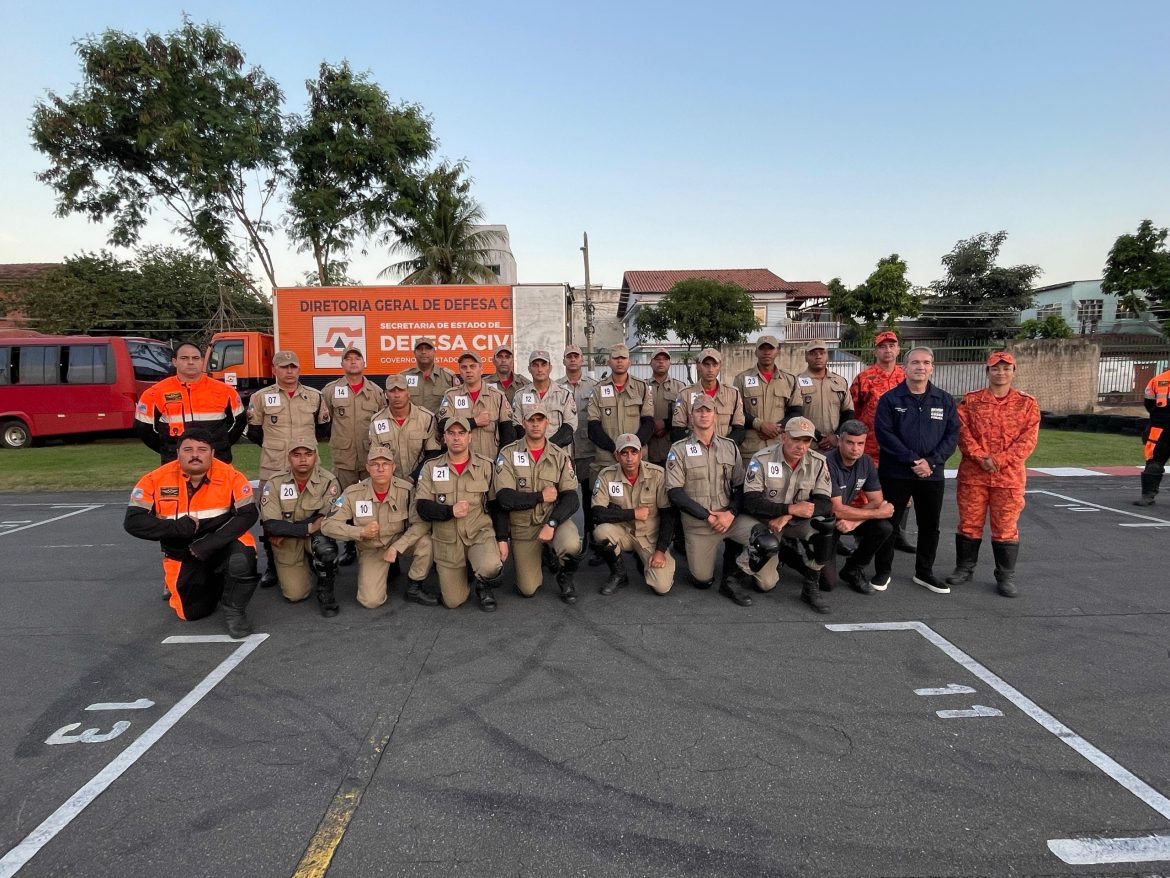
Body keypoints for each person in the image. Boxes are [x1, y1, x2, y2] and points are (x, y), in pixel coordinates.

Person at [124, 428, 260, 638]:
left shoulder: (231, 476)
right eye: (188, 449)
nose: (195, 454)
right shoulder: (154, 479)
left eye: (202, 449)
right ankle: (213, 581)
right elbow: (133, 521)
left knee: (240, 560)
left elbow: (248, 515)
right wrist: (176, 528)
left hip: (220, 544)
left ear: (212, 453)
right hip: (182, 552)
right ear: (178, 454)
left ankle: (235, 611)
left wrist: (209, 544)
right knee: (192, 613)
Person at [665, 396, 779, 606]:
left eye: (708, 410)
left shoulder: (730, 447)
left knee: (766, 574)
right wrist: (708, 517)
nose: (704, 414)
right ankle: (725, 558)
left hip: (730, 518)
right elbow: (675, 493)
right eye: (699, 411)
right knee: (702, 580)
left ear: (715, 416)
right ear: (691, 417)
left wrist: (731, 513)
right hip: (699, 524)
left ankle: (733, 575)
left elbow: (740, 487)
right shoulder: (678, 450)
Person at [947, 352, 1040, 597]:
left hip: (1008, 478)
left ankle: (1005, 576)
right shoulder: (971, 401)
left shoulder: (1027, 403)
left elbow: (1028, 440)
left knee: (1006, 527)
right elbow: (962, 433)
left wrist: (998, 460)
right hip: (973, 476)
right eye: (995, 369)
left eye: (1006, 369)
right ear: (987, 372)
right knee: (969, 524)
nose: (1001, 373)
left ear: (1013, 372)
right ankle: (964, 568)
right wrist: (981, 458)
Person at [874, 346, 960, 594]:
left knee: (929, 525)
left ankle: (924, 572)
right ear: (905, 367)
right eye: (915, 362)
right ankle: (882, 571)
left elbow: (952, 435)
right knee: (889, 524)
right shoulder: (890, 399)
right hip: (896, 473)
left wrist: (931, 462)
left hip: (931, 475)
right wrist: (913, 461)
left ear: (932, 367)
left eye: (925, 363)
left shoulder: (944, 400)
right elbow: (885, 435)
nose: (920, 367)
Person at [246, 350, 332, 588]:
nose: (289, 371)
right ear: (274, 370)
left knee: (311, 510)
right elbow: (254, 431)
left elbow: (322, 429)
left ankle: (312, 559)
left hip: (308, 467)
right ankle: (274, 567)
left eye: (293, 366)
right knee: (270, 516)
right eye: (284, 367)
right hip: (274, 468)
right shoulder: (261, 397)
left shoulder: (314, 397)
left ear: (299, 369)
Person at [321, 444, 436, 609]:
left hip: (398, 541)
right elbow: (327, 525)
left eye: (385, 464)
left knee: (426, 542)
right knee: (371, 601)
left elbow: (421, 524)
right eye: (375, 464)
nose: (380, 469)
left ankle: (414, 587)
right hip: (371, 547)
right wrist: (359, 532)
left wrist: (397, 547)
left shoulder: (407, 490)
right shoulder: (353, 493)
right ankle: (386, 569)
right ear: (368, 468)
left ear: (393, 467)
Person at [741, 417, 835, 614]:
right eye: (796, 440)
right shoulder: (762, 459)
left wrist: (789, 515)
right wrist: (789, 510)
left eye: (807, 441)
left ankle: (810, 589)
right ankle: (744, 566)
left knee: (825, 527)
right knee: (765, 585)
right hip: (768, 522)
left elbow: (825, 502)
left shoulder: (818, 462)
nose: (801, 446)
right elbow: (751, 501)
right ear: (783, 437)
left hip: (793, 522)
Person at [414, 418, 509, 612]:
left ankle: (483, 585)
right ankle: (467, 573)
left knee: (491, 565)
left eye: (461, 433)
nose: (456, 438)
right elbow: (422, 507)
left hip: (478, 533)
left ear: (470, 437)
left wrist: (502, 538)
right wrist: (450, 511)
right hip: (447, 539)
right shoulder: (431, 467)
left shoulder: (486, 466)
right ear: (444, 439)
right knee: (453, 601)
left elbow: (496, 505)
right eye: (451, 433)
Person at [495, 405, 582, 603]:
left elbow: (571, 498)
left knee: (571, 544)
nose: (535, 425)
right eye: (531, 420)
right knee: (528, 589)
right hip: (523, 527)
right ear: (523, 423)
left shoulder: (560, 456)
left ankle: (565, 576)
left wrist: (551, 524)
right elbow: (504, 498)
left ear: (547, 422)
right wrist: (540, 497)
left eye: (539, 420)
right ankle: (542, 554)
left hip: (551, 521)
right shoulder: (508, 454)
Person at [259, 436, 343, 616]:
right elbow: (271, 524)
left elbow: (325, 517)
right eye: (296, 455)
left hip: (310, 536)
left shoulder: (329, 481)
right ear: (289, 457)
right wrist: (306, 528)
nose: (303, 459)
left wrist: (289, 528)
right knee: (295, 594)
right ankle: (284, 565)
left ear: (316, 456)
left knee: (326, 547)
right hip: (289, 541)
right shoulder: (274, 483)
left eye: (308, 454)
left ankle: (326, 593)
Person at [850, 330, 914, 553]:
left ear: (898, 349)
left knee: (902, 494)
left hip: (900, 448)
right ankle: (864, 537)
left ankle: (898, 535)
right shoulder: (865, 378)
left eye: (891, 346)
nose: (887, 350)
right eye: (882, 346)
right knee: (866, 493)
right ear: (875, 350)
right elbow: (854, 410)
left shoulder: (907, 377)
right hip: (870, 447)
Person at [322, 347, 386, 566]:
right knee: (345, 501)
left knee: (371, 499)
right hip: (345, 457)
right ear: (342, 364)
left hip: (370, 456)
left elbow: (382, 420)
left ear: (364, 362)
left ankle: (375, 541)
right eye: (347, 359)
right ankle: (349, 546)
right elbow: (326, 418)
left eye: (357, 358)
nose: (352, 362)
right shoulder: (331, 390)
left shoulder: (376, 392)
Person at [591, 433, 677, 596]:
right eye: (624, 453)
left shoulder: (658, 475)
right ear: (617, 455)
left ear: (641, 453)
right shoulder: (606, 476)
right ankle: (619, 574)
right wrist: (632, 514)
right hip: (623, 533)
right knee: (601, 532)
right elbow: (597, 513)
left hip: (650, 537)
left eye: (634, 452)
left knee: (661, 587)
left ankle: (643, 560)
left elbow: (668, 516)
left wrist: (660, 550)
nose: (629, 458)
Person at [135, 341, 245, 463]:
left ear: (202, 360)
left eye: (195, 358)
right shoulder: (154, 393)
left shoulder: (225, 391)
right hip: (174, 464)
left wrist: (220, 446)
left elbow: (239, 422)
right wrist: (169, 449)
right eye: (184, 358)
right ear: (174, 361)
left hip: (218, 462)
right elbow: (144, 429)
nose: (191, 362)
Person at [823, 420, 895, 595]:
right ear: (839, 441)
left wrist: (855, 522)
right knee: (826, 584)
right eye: (850, 443)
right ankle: (794, 553)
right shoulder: (826, 462)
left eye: (860, 443)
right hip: (823, 521)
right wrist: (877, 512)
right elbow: (837, 509)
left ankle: (853, 569)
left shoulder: (866, 462)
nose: (855, 448)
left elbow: (877, 500)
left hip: (846, 519)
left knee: (883, 527)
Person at [586, 343, 655, 486]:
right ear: (609, 362)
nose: (619, 361)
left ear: (629, 362)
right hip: (607, 459)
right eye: (616, 358)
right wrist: (615, 450)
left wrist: (631, 449)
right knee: (606, 503)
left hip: (635, 460)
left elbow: (648, 423)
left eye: (623, 358)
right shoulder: (598, 389)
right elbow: (593, 427)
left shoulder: (641, 387)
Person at [437, 351, 515, 462]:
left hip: (489, 463)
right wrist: (474, 421)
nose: (468, 370)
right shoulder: (451, 395)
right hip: (459, 464)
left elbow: (508, 434)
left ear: (481, 370)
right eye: (464, 367)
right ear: (460, 371)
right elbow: (443, 426)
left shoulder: (497, 396)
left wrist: (501, 462)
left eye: (472, 366)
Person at [559, 344, 600, 554]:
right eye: (569, 357)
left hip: (587, 451)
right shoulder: (556, 387)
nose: (573, 360)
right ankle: (562, 542)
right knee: (563, 497)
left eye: (576, 356)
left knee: (589, 498)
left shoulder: (595, 387)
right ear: (564, 361)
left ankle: (592, 541)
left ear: (582, 360)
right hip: (563, 454)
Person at [733, 336, 798, 459]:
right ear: (756, 352)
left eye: (770, 348)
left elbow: (796, 412)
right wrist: (760, 425)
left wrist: (776, 429)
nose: (766, 352)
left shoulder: (789, 380)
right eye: (762, 349)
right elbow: (736, 412)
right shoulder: (741, 379)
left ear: (777, 351)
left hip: (780, 447)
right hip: (751, 449)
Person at [368, 374, 442, 481]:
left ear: (408, 392)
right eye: (392, 391)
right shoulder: (377, 421)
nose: (397, 395)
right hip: (390, 483)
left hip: (421, 480)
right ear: (386, 394)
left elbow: (433, 455)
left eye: (401, 390)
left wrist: (413, 478)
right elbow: (376, 458)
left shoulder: (426, 418)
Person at [789, 340, 853, 453]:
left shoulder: (840, 382)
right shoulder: (796, 382)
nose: (818, 356)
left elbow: (848, 413)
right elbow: (795, 414)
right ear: (806, 357)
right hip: (808, 446)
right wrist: (818, 437)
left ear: (827, 356)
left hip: (835, 447)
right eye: (813, 353)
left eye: (821, 353)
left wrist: (836, 436)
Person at [671, 348, 746, 443]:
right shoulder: (685, 394)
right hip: (695, 453)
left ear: (720, 366)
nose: (710, 369)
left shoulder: (733, 393)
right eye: (706, 365)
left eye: (715, 365)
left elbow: (739, 429)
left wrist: (725, 448)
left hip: (724, 453)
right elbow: (677, 431)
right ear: (698, 366)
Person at [511, 350, 577, 449]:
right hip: (529, 454)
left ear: (550, 368)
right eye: (535, 365)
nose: (540, 369)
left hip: (558, 455)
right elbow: (517, 426)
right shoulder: (520, 395)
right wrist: (534, 447)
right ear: (529, 369)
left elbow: (569, 427)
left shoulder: (564, 394)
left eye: (543, 365)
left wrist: (546, 449)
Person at [1135, 365, 1170, 506]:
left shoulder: (1158, 380)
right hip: (1160, 428)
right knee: (1154, 462)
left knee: (1154, 461)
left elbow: (1149, 404)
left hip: (1159, 428)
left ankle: (1148, 496)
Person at [646, 348, 686, 466]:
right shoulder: (642, 386)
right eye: (657, 359)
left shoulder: (680, 387)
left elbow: (685, 415)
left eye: (665, 359)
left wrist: (665, 423)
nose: (661, 362)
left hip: (671, 446)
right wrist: (651, 426)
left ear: (670, 363)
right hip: (648, 446)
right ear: (651, 363)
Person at [402, 336, 461, 415]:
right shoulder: (403, 377)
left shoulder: (448, 377)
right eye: (420, 349)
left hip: (440, 425)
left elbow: (458, 406)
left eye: (428, 348)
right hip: (413, 425)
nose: (423, 352)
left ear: (434, 352)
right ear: (414, 353)